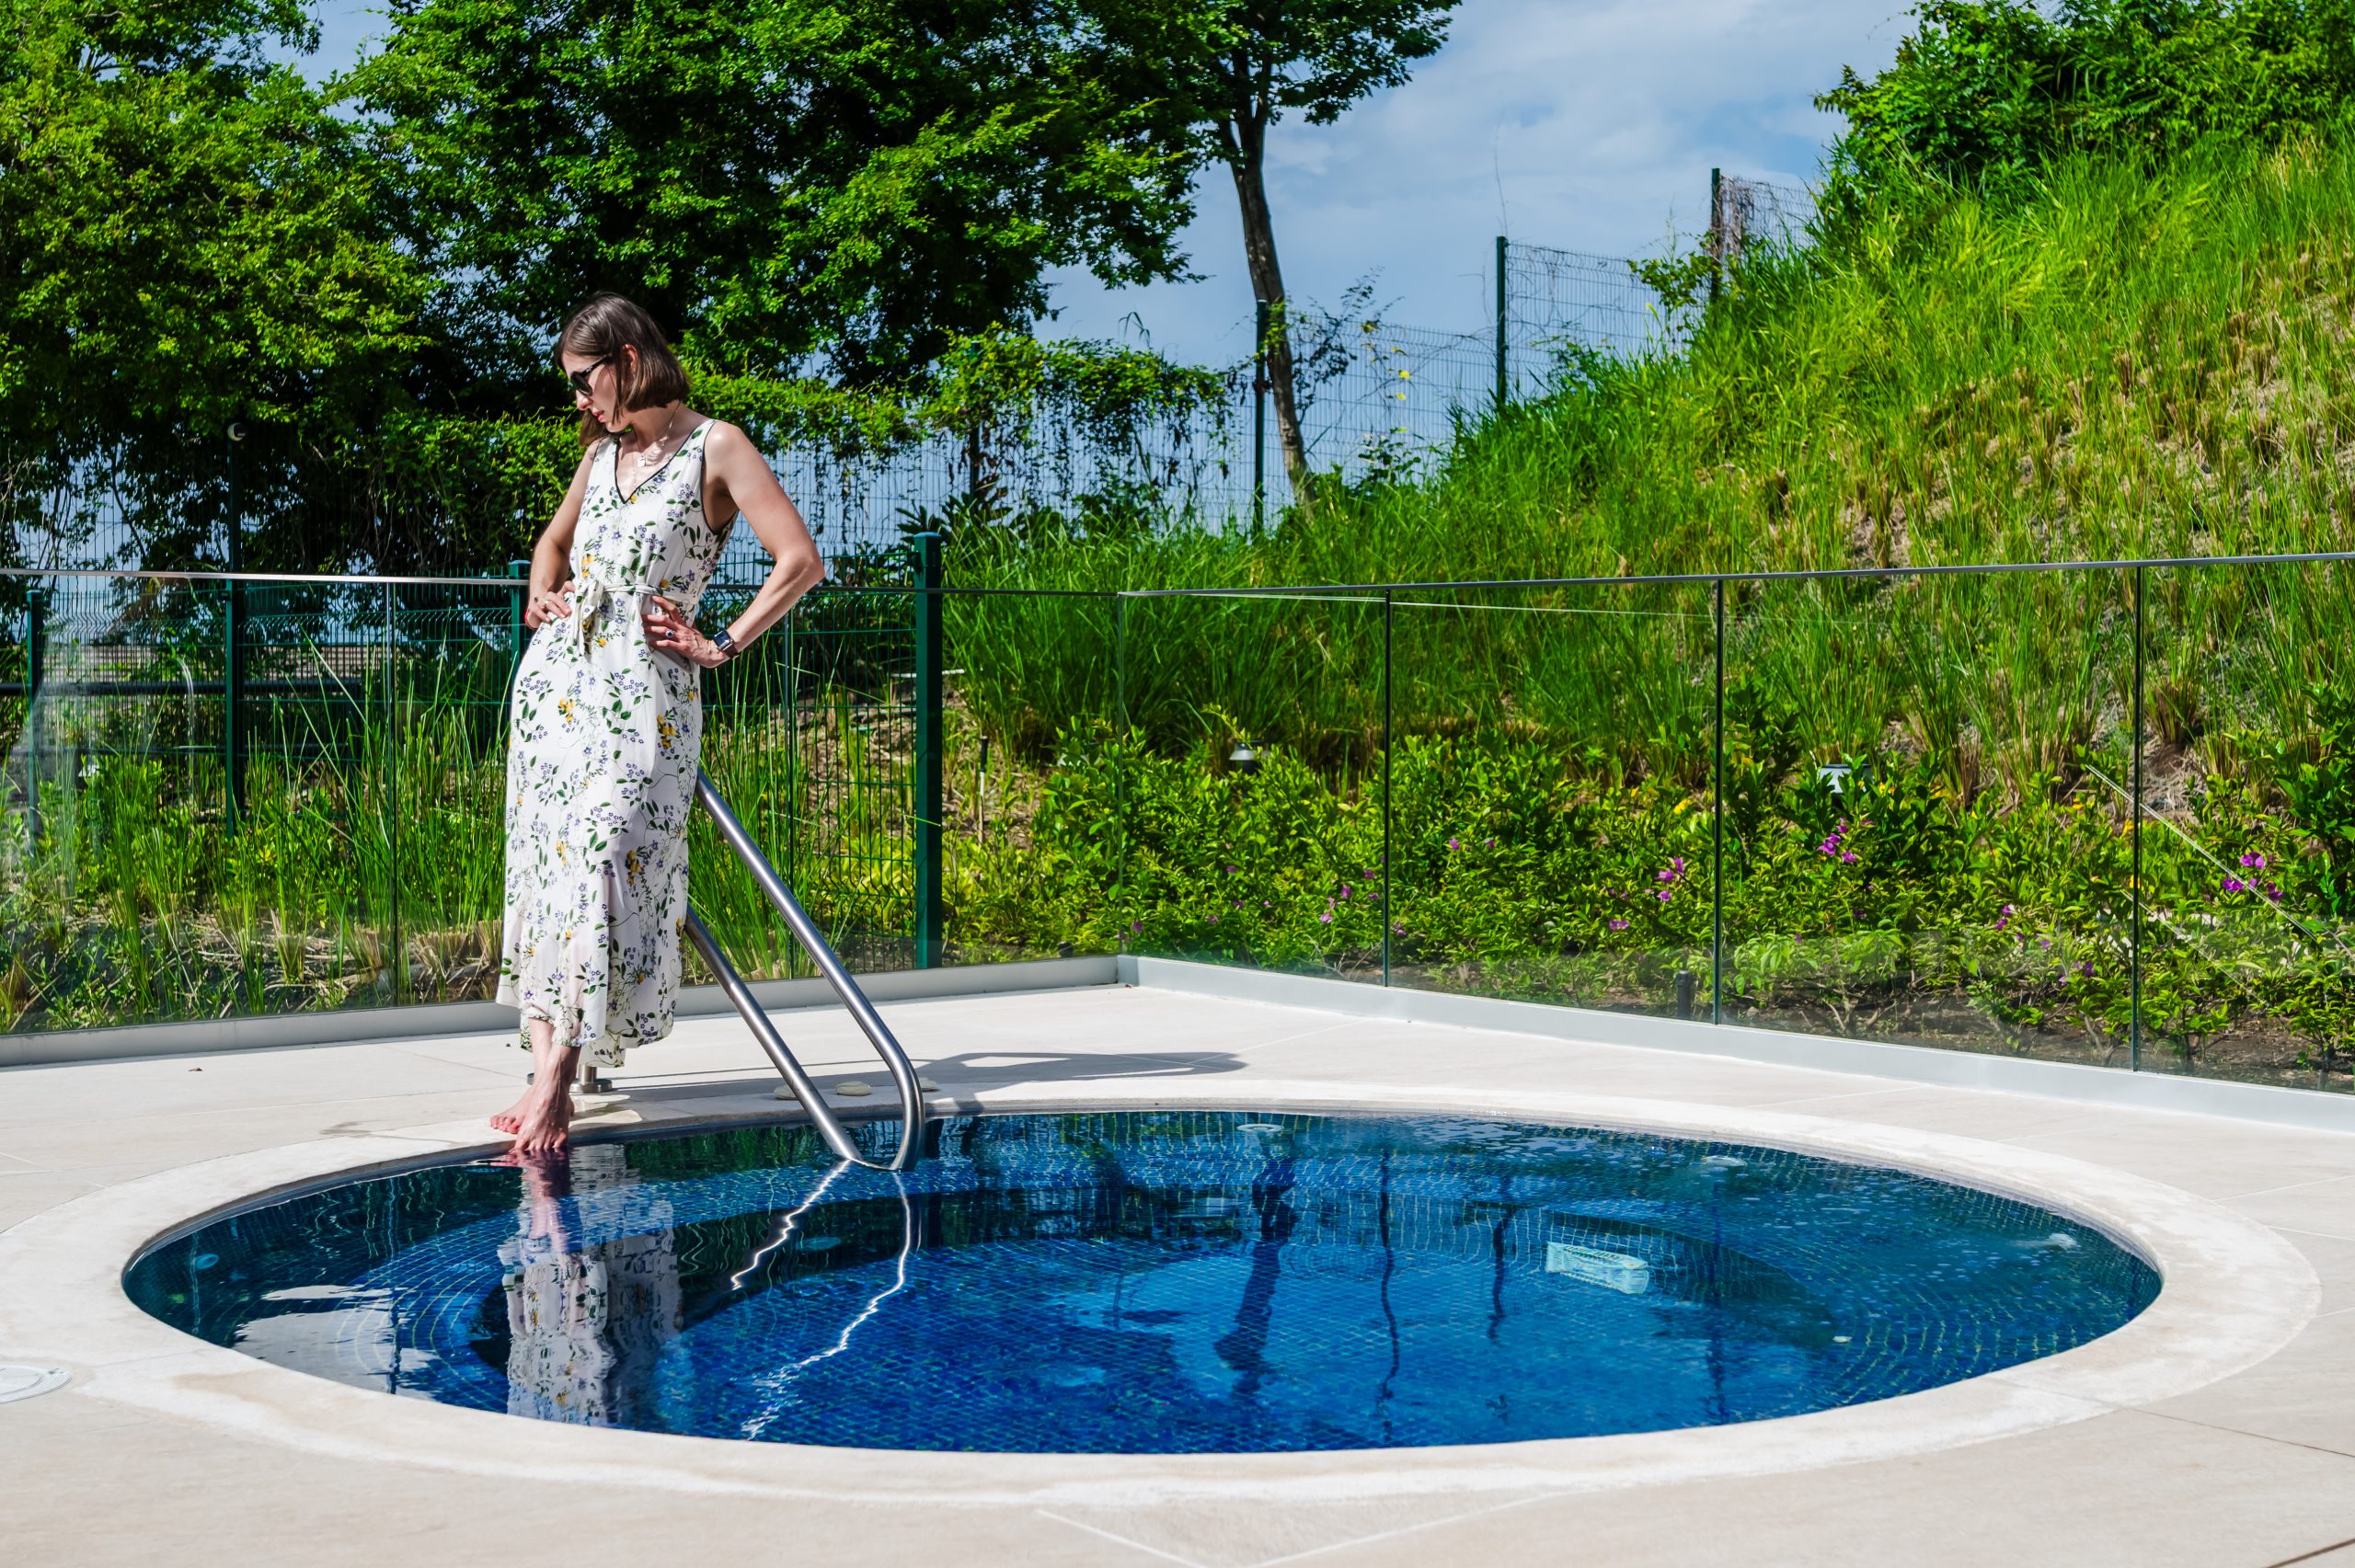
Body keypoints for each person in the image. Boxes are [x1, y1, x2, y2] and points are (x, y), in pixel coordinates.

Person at [491, 294, 824, 1153]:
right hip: (557, 690)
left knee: (607, 857)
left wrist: (721, 644)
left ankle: (561, 1082)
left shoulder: (717, 445)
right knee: (548, 871)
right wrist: (541, 591)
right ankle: (544, 1074)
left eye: (582, 380)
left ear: (629, 359)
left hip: (646, 695)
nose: (577, 400)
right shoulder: (601, 453)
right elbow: (552, 544)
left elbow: (800, 559)